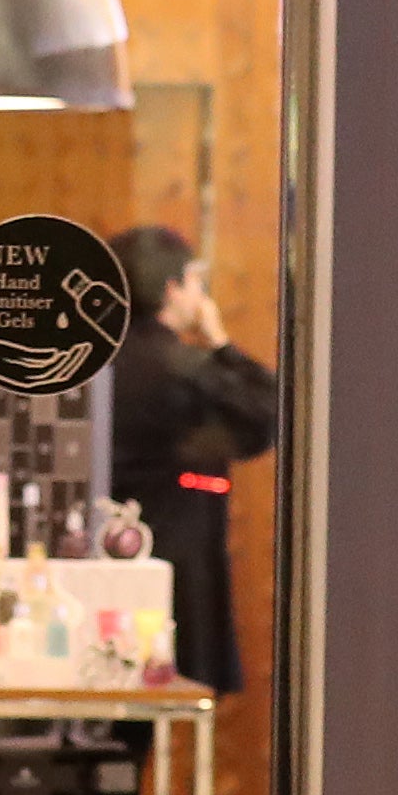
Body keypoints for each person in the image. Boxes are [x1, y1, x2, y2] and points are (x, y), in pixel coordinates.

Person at [104, 223, 280, 695]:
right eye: (196, 282)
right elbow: (271, 412)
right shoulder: (184, 367)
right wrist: (221, 343)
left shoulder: (92, 362)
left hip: (101, 558)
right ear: (172, 288)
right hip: (179, 551)